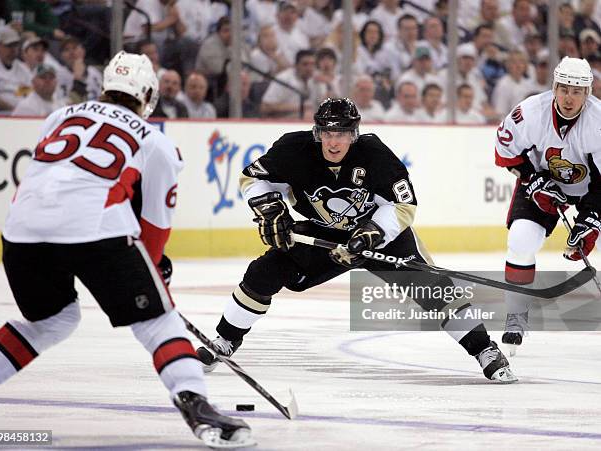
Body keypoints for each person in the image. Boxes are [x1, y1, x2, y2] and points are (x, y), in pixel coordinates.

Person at [0, 51, 253, 448]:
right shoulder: (155, 141)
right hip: (96, 229)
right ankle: (197, 404)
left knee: (53, 321)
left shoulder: (59, 116)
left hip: (21, 231)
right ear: (147, 94)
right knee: (158, 322)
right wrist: (154, 265)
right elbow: (156, 223)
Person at [196, 97, 517, 383]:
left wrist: (373, 232)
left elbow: (403, 205)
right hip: (323, 233)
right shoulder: (293, 150)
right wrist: (271, 211)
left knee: (432, 288)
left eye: (342, 134)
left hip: (378, 234)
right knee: (265, 272)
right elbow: (253, 178)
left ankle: (485, 350)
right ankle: (225, 340)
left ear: (354, 135)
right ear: (317, 132)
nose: (334, 142)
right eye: (328, 133)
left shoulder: (375, 154)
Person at [494, 56, 601, 354]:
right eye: (564, 89)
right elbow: (505, 155)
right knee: (520, 240)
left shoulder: (599, 123)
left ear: (587, 94)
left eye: (577, 91)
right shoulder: (529, 113)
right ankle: (516, 314)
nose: (569, 98)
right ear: (553, 87)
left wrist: (592, 218)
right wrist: (532, 179)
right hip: (543, 181)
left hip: (590, 190)